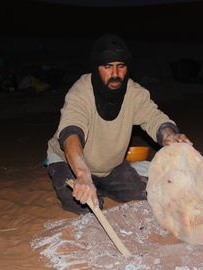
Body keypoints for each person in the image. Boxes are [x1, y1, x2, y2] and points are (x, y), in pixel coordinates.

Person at [46, 33, 192, 214]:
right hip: (69, 163)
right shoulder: (80, 92)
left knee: (141, 196)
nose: (115, 74)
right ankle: (93, 185)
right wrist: (83, 175)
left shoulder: (134, 92)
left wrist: (169, 135)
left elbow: (154, 118)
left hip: (110, 166)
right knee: (87, 207)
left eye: (120, 66)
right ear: (96, 68)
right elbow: (70, 133)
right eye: (108, 66)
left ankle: (102, 184)